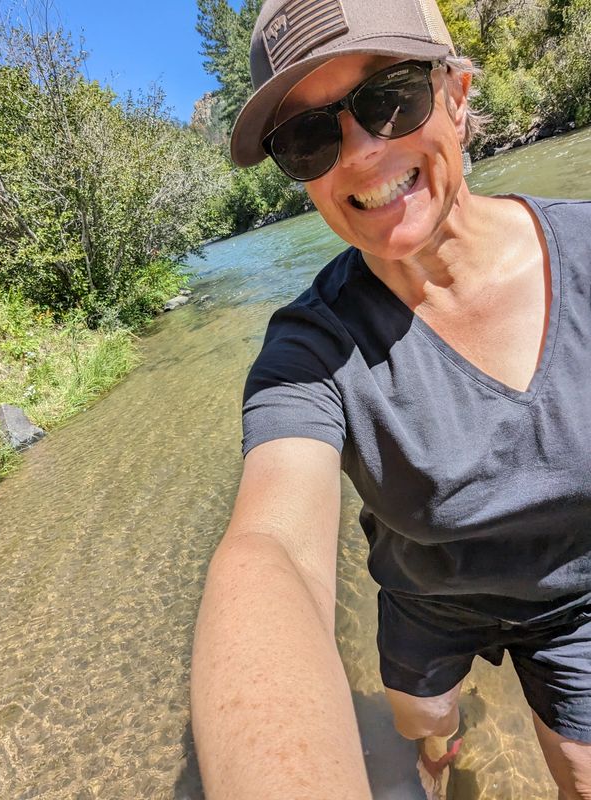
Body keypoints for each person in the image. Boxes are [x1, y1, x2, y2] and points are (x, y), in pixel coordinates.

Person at [190, 0, 591, 797]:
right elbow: (269, 549)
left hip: (574, 601)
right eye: (308, 137)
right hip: (425, 600)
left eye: (390, 97)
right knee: (426, 729)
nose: (363, 155)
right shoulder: (306, 351)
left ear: (458, 94)